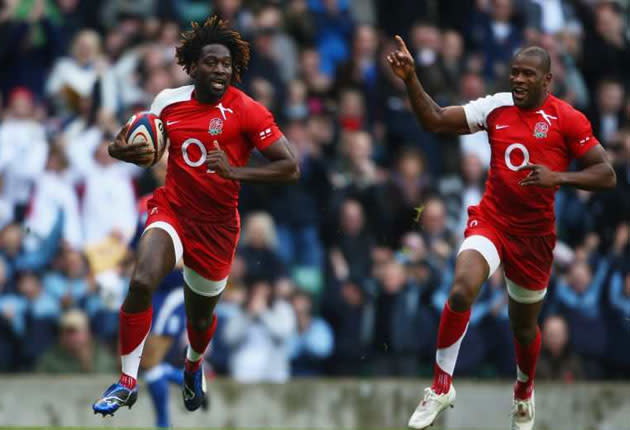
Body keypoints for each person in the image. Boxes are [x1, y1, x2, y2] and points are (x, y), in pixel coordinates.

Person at [387, 35, 616, 430]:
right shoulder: (496, 107)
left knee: (523, 327)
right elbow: (436, 120)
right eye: (514, 73)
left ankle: (524, 391)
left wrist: (558, 177)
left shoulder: (568, 119)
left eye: (528, 74)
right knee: (461, 289)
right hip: (491, 220)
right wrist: (411, 79)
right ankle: (441, 386)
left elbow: (606, 174)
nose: (518, 80)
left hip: (534, 239)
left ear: (548, 80)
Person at [93, 16, 299, 416]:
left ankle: (193, 365)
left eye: (226, 63)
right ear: (193, 66)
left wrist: (235, 172)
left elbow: (291, 167)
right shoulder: (166, 102)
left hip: (218, 229)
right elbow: (137, 149)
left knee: (200, 318)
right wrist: (123, 151)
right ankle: (127, 380)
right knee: (141, 280)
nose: (220, 69)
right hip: (173, 209)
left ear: (233, 68)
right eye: (211, 62)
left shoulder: (248, 111)